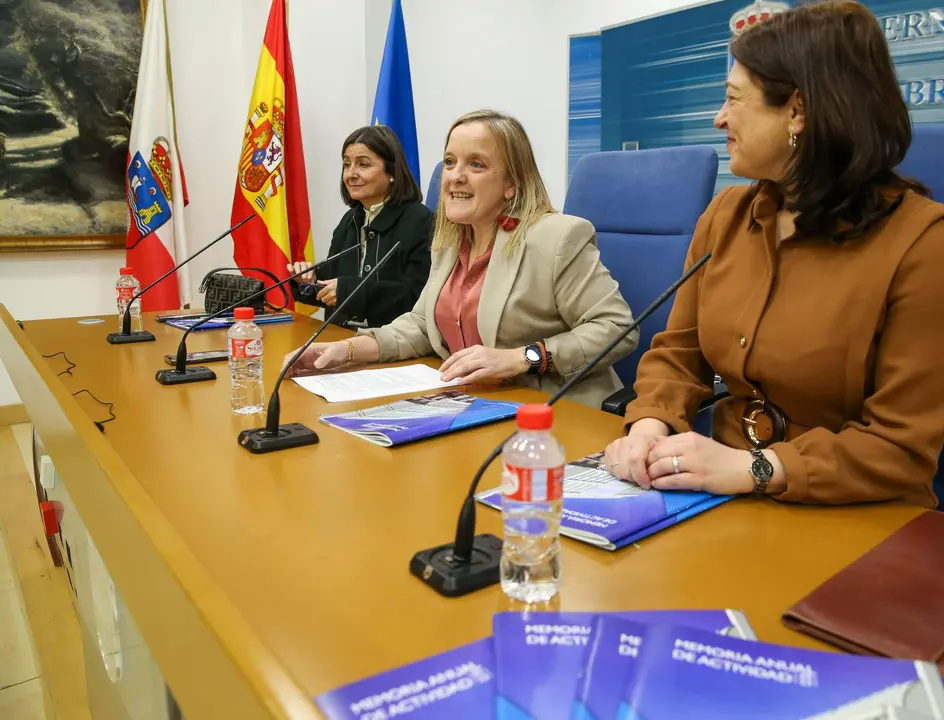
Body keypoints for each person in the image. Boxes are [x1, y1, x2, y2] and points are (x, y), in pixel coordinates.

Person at [604, 1, 944, 508]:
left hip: (858, 516)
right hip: (721, 497)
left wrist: (754, 468)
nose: (719, 118)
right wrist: (649, 424)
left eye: (733, 99)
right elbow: (678, 354)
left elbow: (902, 445)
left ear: (798, 112)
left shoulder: (923, 244)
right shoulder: (726, 215)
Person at [283, 109, 638, 408]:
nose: (455, 176)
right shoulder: (449, 240)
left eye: (477, 164)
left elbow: (617, 328)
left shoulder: (557, 237)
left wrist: (522, 358)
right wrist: (345, 350)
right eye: (450, 162)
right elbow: (421, 326)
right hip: (471, 403)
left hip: (552, 411)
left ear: (511, 183)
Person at [287, 125, 433, 329]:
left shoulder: (420, 220)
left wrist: (349, 291)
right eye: (347, 165)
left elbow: (417, 296)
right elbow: (331, 284)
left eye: (363, 165)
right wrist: (308, 282)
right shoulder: (350, 219)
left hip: (393, 341)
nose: (351, 174)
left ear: (392, 171)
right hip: (340, 338)